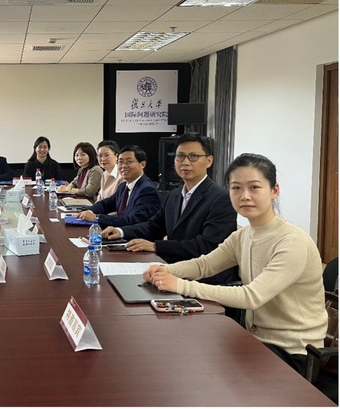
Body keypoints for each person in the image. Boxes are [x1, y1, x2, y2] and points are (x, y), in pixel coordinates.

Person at [143, 153, 327, 377]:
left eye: (254, 187)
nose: (245, 196)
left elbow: (252, 296)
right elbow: (205, 265)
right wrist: (165, 270)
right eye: (236, 188)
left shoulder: (292, 242)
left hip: (294, 353)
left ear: (274, 191)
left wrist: (180, 285)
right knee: (182, 351)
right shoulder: (243, 235)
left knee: (202, 369)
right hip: (256, 340)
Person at [102, 133, 238, 285]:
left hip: (205, 281)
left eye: (193, 156)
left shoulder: (221, 199)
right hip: (172, 272)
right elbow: (153, 226)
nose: (185, 162)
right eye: (180, 156)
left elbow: (206, 246)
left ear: (209, 161)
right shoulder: (174, 195)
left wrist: (156, 246)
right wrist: (121, 231)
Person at [76, 145, 161, 227]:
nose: (123, 166)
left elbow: (133, 220)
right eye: (120, 162)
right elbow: (105, 204)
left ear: (142, 164)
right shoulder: (123, 186)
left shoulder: (147, 190)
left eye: (129, 161)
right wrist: (90, 211)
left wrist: (97, 218)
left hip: (135, 235)